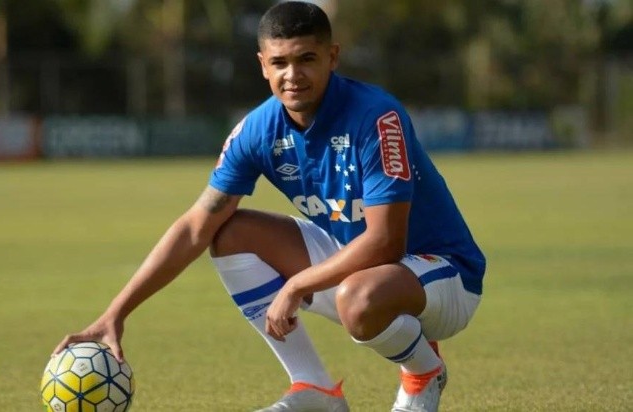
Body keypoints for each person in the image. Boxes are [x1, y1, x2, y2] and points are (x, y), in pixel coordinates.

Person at [53, 2, 486, 411]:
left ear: (332, 57)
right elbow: (195, 227)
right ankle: (314, 389)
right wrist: (116, 313)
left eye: (306, 59)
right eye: (279, 62)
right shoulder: (257, 130)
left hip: (443, 275)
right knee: (230, 233)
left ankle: (423, 373)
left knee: (360, 296)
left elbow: (386, 243)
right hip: (358, 270)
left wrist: (296, 286)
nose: (292, 75)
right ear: (263, 65)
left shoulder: (376, 116)